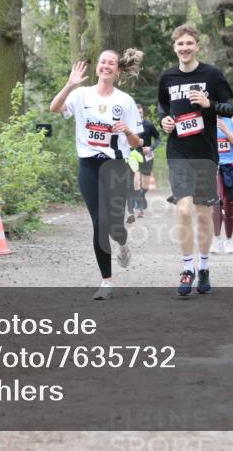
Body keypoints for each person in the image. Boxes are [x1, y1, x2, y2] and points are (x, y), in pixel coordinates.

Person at [49, 50, 144, 300]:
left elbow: (137, 143)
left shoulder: (125, 101)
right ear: (98, 67)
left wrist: (127, 132)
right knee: (99, 223)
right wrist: (69, 84)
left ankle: (122, 244)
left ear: (118, 71)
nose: (106, 66)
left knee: (114, 224)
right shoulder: (81, 94)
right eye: (102, 62)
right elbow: (54, 108)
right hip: (88, 166)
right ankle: (107, 281)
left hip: (115, 166)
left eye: (111, 63)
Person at [157, 24, 233, 296]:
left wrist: (208, 104)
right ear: (175, 47)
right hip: (178, 151)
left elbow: (229, 108)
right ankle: (187, 268)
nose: (185, 48)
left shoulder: (212, 75)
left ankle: (204, 268)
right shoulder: (167, 77)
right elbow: (162, 107)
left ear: (197, 46)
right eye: (180, 44)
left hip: (205, 154)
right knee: (183, 210)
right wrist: (164, 121)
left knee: (203, 216)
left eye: (189, 43)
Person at [212, 113, 233, 254]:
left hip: (232, 166)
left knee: (229, 205)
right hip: (214, 167)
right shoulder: (207, 117)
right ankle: (216, 239)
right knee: (216, 203)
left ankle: (229, 240)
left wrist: (226, 130)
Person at [126, 106, 161, 222]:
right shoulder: (129, 125)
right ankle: (139, 206)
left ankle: (141, 196)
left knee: (145, 186)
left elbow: (158, 138)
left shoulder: (148, 125)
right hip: (133, 156)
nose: (139, 114)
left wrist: (151, 148)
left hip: (147, 156)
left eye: (140, 112)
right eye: (136, 112)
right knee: (136, 181)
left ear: (143, 113)